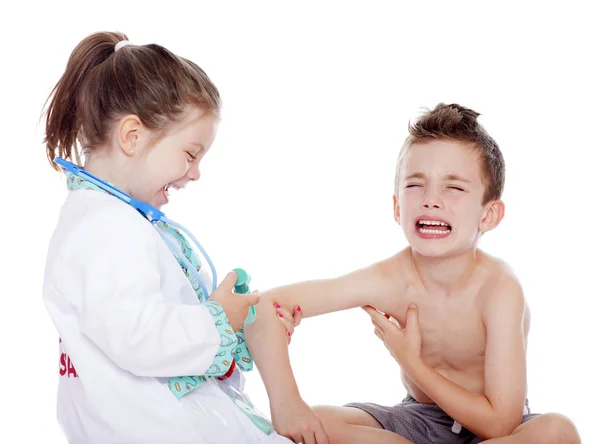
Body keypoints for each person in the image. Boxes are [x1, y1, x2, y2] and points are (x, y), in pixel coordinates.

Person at [246, 103, 581, 443]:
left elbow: (500, 424)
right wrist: (288, 402)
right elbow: (264, 306)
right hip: (419, 421)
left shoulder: (499, 289)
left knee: (558, 431)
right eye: (415, 185)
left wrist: (412, 363)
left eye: (454, 187)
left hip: (496, 432)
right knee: (318, 420)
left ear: (489, 215)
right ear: (397, 207)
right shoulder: (390, 279)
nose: (431, 200)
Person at [41, 31, 302, 444]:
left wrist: (231, 329)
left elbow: (146, 328)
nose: (195, 172)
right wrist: (217, 322)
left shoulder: (114, 220)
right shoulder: (104, 227)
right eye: (190, 153)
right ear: (132, 136)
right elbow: (137, 335)